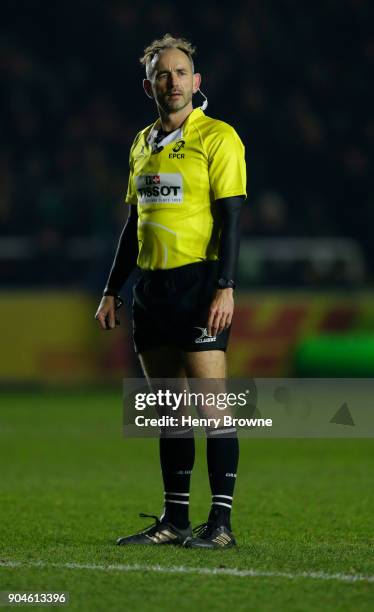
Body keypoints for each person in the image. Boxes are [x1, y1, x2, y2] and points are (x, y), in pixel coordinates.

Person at [95, 34, 246, 549]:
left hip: (198, 284)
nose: (173, 81)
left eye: (181, 72)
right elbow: (133, 222)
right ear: (149, 85)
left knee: (212, 407)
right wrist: (112, 289)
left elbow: (232, 218)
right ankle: (175, 521)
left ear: (196, 82)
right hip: (151, 291)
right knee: (170, 411)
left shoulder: (219, 137)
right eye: (163, 74)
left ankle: (221, 526)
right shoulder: (141, 144)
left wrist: (225, 287)